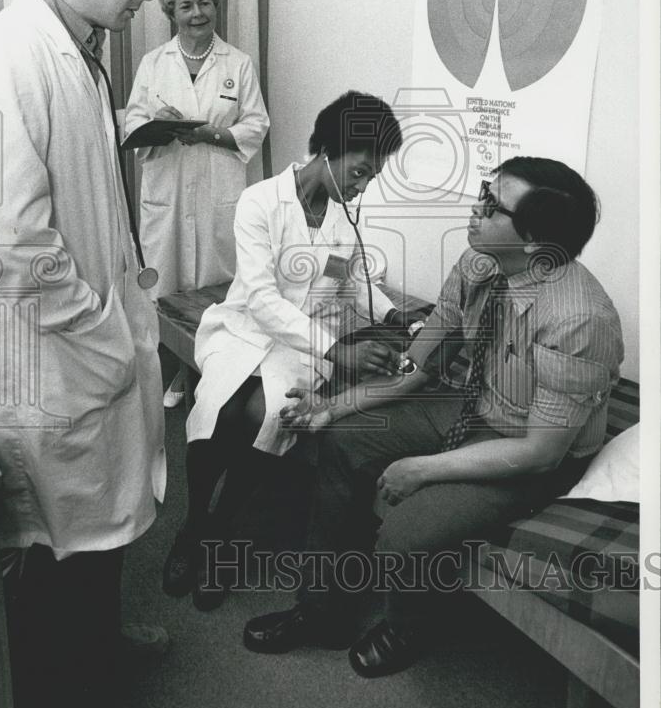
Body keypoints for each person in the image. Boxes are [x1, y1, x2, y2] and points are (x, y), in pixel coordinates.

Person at [244, 157, 624, 678]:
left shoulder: (581, 317)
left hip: (530, 449)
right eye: (483, 193)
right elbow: (420, 368)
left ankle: (407, 625)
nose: (475, 208)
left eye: (492, 206)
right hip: (476, 404)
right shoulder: (479, 265)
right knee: (345, 439)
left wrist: (422, 469)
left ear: (535, 240)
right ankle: (322, 612)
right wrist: (333, 406)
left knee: (404, 532)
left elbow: (540, 452)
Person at [0, 0, 172, 708]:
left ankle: (103, 650)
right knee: (54, 553)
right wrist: (103, 333)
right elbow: (11, 243)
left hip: (90, 347)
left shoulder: (76, 48)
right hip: (56, 358)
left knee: (99, 535)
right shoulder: (4, 54)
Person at [163, 91, 413, 609]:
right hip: (245, 328)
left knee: (270, 411)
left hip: (301, 344)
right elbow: (260, 298)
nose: (362, 185)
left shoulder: (344, 220)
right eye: (360, 171)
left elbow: (350, 281)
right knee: (219, 405)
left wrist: (391, 313)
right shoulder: (260, 203)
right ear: (327, 150)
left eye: (371, 177)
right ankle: (195, 526)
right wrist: (338, 350)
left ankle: (224, 535)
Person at [124, 0, 269, 408]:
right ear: (171, 9)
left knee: (213, 289)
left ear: (215, 5)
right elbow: (131, 121)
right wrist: (155, 123)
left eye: (204, 2)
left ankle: (202, 375)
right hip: (167, 189)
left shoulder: (238, 63)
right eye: (185, 5)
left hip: (216, 193)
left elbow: (257, 123)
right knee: (164, 290)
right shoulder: (154, 63)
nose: (197, 13)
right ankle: (173, 372)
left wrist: (216, 134)